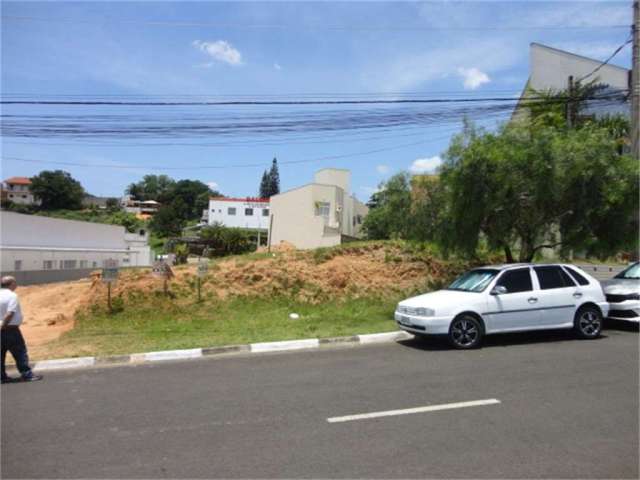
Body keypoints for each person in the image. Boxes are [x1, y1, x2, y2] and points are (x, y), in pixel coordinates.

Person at [1, 276, 42, 383]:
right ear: (11, 284)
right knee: (20, 353)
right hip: (10, 330)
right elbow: (10, 313)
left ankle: (1, 377)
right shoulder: (12, 295)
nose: (16, 284)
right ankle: (27, 375)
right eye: (15, 282)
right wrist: (3, 325)